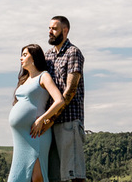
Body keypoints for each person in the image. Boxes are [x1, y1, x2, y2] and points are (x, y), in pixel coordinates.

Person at [8, 43, 65, 182]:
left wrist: (42, 120)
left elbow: (60, 101)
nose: (21, 58)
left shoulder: (44, 76)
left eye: (25, 55)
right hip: (21, 136)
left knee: (37, 176)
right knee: (17, 177)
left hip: (35, 134)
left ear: (34, 58)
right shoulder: (24, 79)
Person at [43, 16, 85, 182]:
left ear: (65, 30)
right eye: (49, 28)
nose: (50, 32)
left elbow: (70, 90)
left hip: (68, 120)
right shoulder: (47, 56)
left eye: (54, 28)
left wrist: (51, 117)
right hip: (50, 124)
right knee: (54, 177)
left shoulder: (73, 52)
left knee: (73, 175)